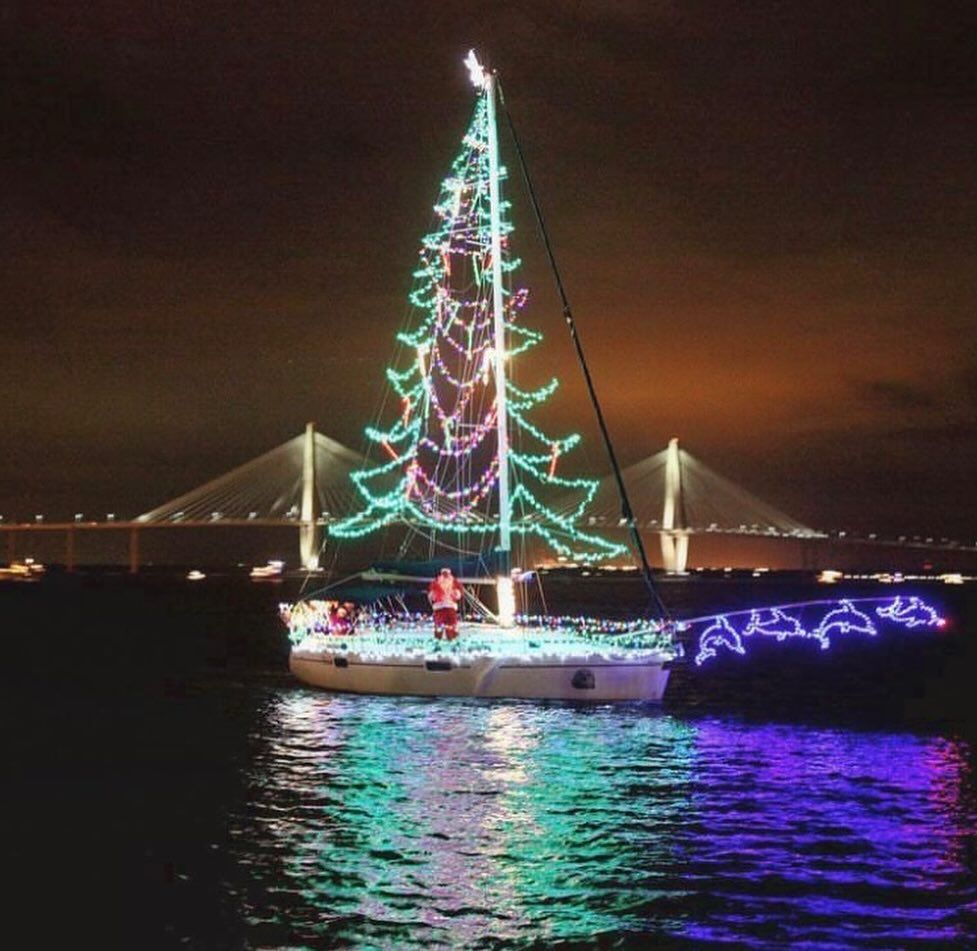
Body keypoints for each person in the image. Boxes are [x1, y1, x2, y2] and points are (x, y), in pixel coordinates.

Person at [427, 567, 463, 640]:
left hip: (445, 606)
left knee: (446, 624)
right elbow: (458, 595)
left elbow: (431, 596)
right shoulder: (438, 582)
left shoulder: (437, 582)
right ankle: (446, 636)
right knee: (445, 624)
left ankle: (447, 636)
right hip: (444, 606)